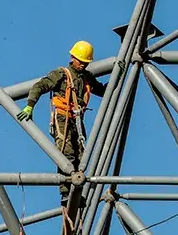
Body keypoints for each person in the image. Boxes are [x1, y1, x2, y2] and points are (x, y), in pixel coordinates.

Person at [17, 41, 112, 205]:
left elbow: (103, 91)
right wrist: (29, 106)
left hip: (77, 120)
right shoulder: (62, 74)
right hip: (62, 119)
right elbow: (40, 86)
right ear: (72, 57)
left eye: (85, 62)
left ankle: (76, 192)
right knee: (67, 154)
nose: (82, 65)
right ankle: (66, 192)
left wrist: (119, 75)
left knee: (82, 157)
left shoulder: (86, 78)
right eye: (80, 61)